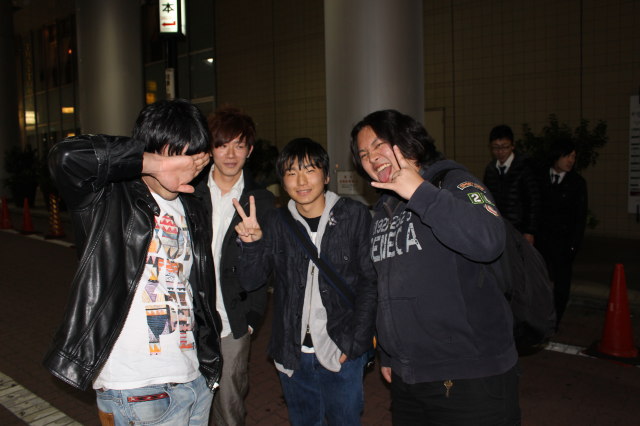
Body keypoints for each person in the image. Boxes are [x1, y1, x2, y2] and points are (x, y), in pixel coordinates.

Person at [43, 99, 221, 426]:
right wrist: (152, 163)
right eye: (175, 156)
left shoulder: (193, 208)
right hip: (137, 388)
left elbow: (196, 293)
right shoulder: (107, 198)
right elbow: (65, 158)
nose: (187, 167)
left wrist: (207, 368)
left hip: (193, 379)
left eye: (193, 156)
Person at [351, 110, 520, 425]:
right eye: (363, 154)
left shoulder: (454, 183)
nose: (371, 158)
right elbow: (385, 287)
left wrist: (420, 192)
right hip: (410, 379)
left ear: (407, 142)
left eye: (378, 145)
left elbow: (489, 240)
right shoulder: (384, 208)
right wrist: (389, 353)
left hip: (470, 378)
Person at [232, 138, 377, 426]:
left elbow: (369, 283)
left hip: (341, 348)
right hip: (294, 353)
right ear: (282, 181)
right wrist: (251, 244)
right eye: (291, 172)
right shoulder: (276, 222)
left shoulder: (353, 216)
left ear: (326, 176)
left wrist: (356, 343)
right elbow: (251, 281)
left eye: (310, 170)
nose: (301, 181)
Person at [193, 106, 275, 426]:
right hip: (189, 321)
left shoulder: (260, 201)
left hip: (232, 322)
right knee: (190, 406)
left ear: (249, 150)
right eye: (222, 144)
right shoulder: (190, 192)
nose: (230, 154)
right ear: (210, 148)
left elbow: (265, 270)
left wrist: (252, 319)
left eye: (239, 146)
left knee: (228, 408)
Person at [535, 139, 588, 329]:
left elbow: (580, 218)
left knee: (562, 286)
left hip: (564, 244)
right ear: (556, 156)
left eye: (573, 156)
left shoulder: (577, 183)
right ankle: (538, 317)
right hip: (541, 242)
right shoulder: (539, 178)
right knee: (538, 282)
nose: (571, 160)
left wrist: (573, 246)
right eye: (567, 156)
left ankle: (555, 322)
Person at [483, 124, 540, 244]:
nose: (500, 152)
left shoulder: (525, 167)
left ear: (512, 146)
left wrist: (530, 231)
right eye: (495, 147)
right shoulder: (491, 169)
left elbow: (533, 201)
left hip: (519, 228)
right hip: (499, 227)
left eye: (504, 147)